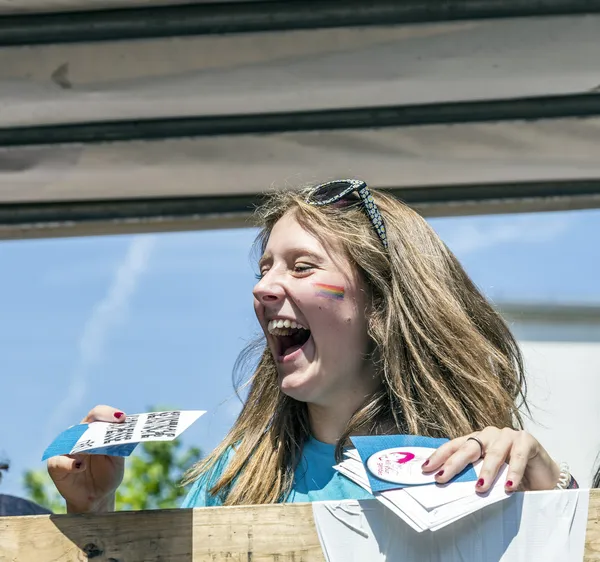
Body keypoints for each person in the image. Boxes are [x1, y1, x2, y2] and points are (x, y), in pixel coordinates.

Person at [47, 179, 577, 513]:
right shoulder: (231, 481)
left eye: (302, 267)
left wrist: (557, 506)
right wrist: (94, 514)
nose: (262, 288)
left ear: (382, 306)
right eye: (264, 268)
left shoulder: (476, 473)